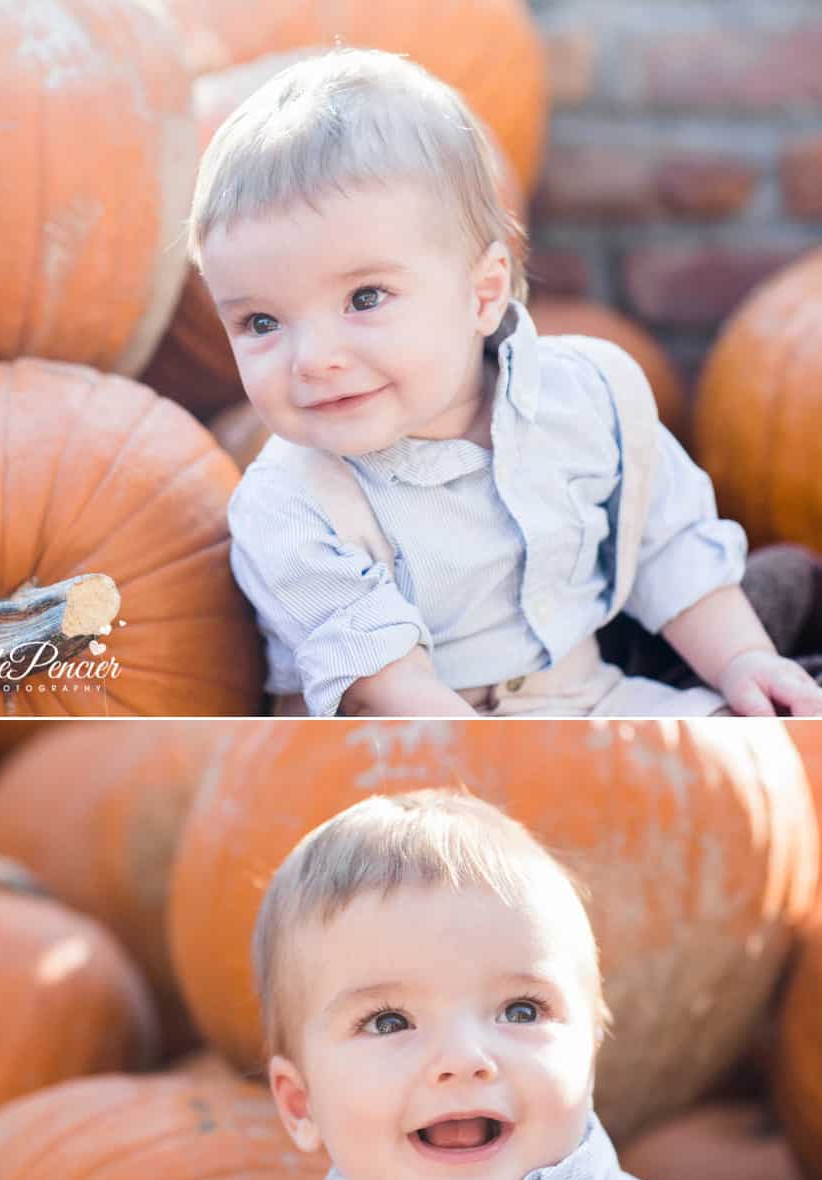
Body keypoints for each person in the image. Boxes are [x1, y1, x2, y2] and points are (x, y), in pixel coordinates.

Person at [106, 790, 782, 1180]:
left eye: (522, 1010)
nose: (464, 1058)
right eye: (390, 1020)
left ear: (592, 1049)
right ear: (301, 1103)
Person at [186, 46, 822, 719]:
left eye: (365, 298)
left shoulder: (588, 397)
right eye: (260, 321)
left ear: (484, 292)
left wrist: (744, 660)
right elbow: (391, 690)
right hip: (414, 751)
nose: (311, 358)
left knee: (765, 742)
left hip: (590, 699)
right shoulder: (291, 502)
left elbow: (671, 550)